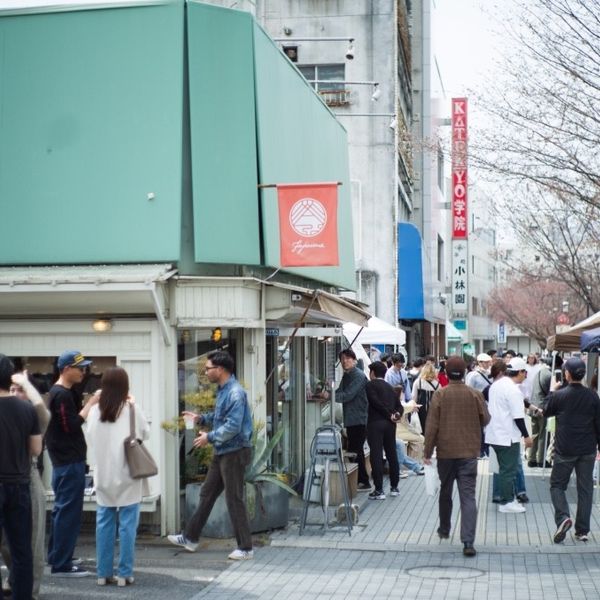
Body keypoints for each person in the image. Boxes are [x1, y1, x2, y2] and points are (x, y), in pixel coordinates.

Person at [169, 350, 254, 560]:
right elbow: (220, 417)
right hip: (224, 450)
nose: (205, 372)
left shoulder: (235, 392)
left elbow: (233, 426)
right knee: (207, 493)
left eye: (208, 369)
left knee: (234, 498)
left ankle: (245, 548)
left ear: (221, 369)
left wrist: (210, 437)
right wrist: (200, 418)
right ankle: (190, 537)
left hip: (234, 452)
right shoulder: (224, 389)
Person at [85, 367, 150, 586]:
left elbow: (89, 438)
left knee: (104, 523)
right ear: (125, 386)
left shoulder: (95, 412)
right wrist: (133, 404)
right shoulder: (131, 408)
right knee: (127, 525)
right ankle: (124, 573)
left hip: (103, 474)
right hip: (129, 474)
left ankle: (103, 574)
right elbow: (145, 434)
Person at [424, 356, 490, 557]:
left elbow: (432, 426)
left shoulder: (440, 395)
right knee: (468, 496)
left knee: (446, 491)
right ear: (464, 373)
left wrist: (427, 452)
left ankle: (444, 528)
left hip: (445, 452)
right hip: (469, 453)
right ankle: (468, 541)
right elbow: (486, 419)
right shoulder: (475, 394)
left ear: (446, 372)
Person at [46, 350, 97, 577]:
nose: (83, 371)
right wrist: (91, 404)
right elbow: (72, 426)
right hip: (69, 461)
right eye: (80, 367)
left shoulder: (60, 393)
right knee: (68, 513)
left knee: (61, 510)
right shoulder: (61, 395)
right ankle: (62, 564)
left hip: (63, 462)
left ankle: (57, 555)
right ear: (66, 369)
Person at [0, 371, 50, 600]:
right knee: (10, 544)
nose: (14, 392)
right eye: (11, 389)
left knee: (31, 542)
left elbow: (43, 412)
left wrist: (26, 384)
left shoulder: (31, 413)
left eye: (19, 390)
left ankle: (30, 590)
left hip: (27, 478)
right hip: (16, 482)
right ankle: (15, 580)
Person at [544, 357, 600, 543]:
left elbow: (546, 410)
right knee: (585, 489)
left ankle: (563, 517)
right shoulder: (593, 396)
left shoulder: (560, 395)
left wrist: (552, 390)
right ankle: (582, 530)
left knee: (557, 485)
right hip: (587, 449)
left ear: (567, 374)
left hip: (565, 448)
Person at [485, 357, 533, 514]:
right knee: (509, 470)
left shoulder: (496, 385)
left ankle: (506, 499)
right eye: (525, 372)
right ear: (519, 372)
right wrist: (526, 436)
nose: (525, 375)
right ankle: (507, 502)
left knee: (503, 469)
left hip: (494, 434)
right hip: (507, 436)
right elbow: (518, 416)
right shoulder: (513, 390)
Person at [330, 349, 370, 490]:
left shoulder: (358, 376)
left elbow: (347, 395)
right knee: (355, 450)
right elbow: (340, 391)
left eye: (347, 358)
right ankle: (361, 481)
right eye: (342, 359)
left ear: (354, 360)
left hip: (359, 418)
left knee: (356, 450)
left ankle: (364, 481)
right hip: (351, 419)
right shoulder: (347, 376)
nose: (344, 361)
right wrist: (329, 393)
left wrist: (329, 396)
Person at [365, 361, 401, 500]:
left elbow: (375, 402)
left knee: (376, 454)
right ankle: (394, 487)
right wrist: (396, 415)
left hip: (375, 423)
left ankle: (379, 489)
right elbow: (399, 406)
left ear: (372, 373)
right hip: (390, 425)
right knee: (392, 453)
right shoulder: (390, 388)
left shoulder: (369, 385)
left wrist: (387, 414)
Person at [528, 356, 562, 468]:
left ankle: (531, 459)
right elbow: (552, 393)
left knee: (535, 434)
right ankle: (541, 460)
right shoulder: (549, 376)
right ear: (555, 364)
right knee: (543, 435)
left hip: (533, 406)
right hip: (542, 408)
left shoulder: (539, 372)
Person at [411, 362, 440, 433]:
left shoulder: (418, 382)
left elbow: (414, 398)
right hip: (433, 411)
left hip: (420, 410)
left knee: (421, 430)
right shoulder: (438, 385)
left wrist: (413, 407)